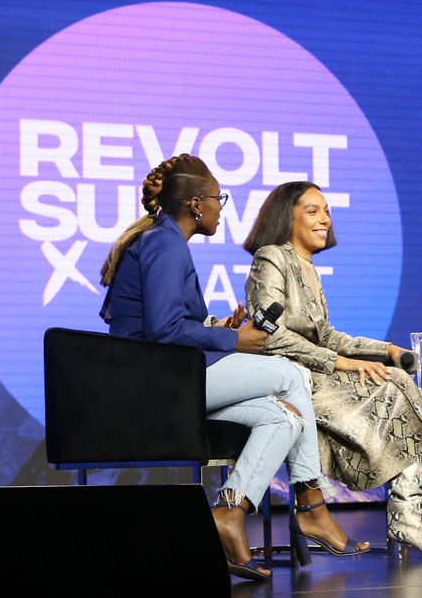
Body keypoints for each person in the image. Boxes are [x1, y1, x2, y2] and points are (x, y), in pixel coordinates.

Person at [99, 156, 367, 582]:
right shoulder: (165, 244)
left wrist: (218, 326)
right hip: (155, 382)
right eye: (217, 199)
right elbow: (164, 332)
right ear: (195, 205)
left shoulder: (162, 241)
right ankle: (312, 505)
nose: (222, 208)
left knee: (283, 418)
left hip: (167, 373)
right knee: (290, 374)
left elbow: (165, 323)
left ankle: (230, 509)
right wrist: (233, 339)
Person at [242, 181, 422, 560]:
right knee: (393, 385)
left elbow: (328, 335)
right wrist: (340, 363)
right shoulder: (272, 257)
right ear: (288, 215)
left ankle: (421, 510)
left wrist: (385, 351)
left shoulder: (310, 269)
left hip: (316, 373)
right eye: (313, 210)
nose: (325, 219)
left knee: (397, 377)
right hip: (287, 379)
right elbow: (268, 334)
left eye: (328, 211)